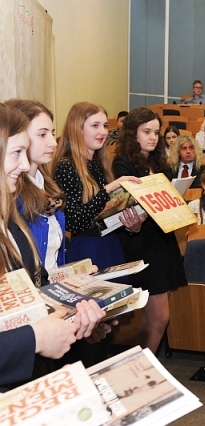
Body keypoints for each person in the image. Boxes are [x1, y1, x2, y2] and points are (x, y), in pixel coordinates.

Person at [0, 104, 106, 391]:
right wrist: (35, 338)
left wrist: (75, 314)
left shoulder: (12, 223)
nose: (24, 165)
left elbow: (35, 285)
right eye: (16, 152)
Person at [112, 107, 187, 353]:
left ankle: (142, 366)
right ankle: (142, 367)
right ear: (133, 133)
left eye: (156, 132)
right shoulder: (123, 162)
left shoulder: (159, 163)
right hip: (141, 243)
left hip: (162, 241)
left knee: (154, 319)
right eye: (147, 132)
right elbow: (128, 205)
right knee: (159, 318)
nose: (153, 137)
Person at [52, 102, 141, 271]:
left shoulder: (100, 163)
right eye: (95, 125)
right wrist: (108, 190)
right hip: (87, 249)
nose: (103, 131)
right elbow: (74, 222)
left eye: (105, 125)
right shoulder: (66, 166)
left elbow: (103, 215)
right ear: (77, 128)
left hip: (110, 244)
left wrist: (131, 225)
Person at [5, 99, 66, 273]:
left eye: (52, 133)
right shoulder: (12, 195)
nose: (53, 142)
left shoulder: (47, 185)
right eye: (42, 134)